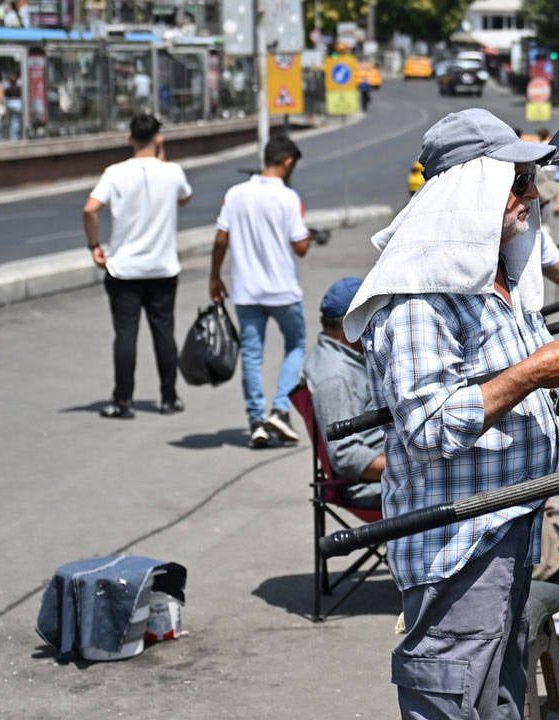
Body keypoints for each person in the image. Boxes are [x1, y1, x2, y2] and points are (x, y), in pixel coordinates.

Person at [342, 108, 559, 720]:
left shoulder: (502, 279)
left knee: (499, 698)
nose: (533, 195)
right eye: (518, 182)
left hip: (511, 525)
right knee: (452, 697)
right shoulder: (418, 297)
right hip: (460, 543)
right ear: (471, 191)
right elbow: (430, 426)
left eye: (531, 180)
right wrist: (533, 372)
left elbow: (535, 395)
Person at [82, 113, 192, 419]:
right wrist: (162, 155)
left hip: (124, 269)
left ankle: (123, 401)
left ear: (130, 138)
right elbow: (184, 199)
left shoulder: (115, 173)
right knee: (164, 332)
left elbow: (91, 209)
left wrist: (94, 246)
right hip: (162, 268)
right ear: (159, 138)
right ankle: (169, 397)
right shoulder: (172, 172)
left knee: (126, 334)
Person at [208, 134, 312, 448]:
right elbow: (301, 247)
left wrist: (215, 276)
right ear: (288, 162)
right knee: (296, 344)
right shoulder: (288, 198)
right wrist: (308, 235)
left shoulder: (235, 194)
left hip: (247, 291)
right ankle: (280, 409)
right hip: (282, 291)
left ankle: (256, 422)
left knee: (252, 355)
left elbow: (221, 239)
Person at [301, 277, 383, 508]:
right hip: (373, 485)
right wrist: (408, 467)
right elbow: (346, 455)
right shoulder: (336, 376)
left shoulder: (340, 357)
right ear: (350, 327)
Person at [4, 72, 23, 141]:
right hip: (18, 105)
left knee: (12, 121)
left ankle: (12, 136)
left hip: (10, 105)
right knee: (16, 121)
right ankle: (14, 137)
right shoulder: (19, 88)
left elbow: (5, 98)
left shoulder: (7, 89)